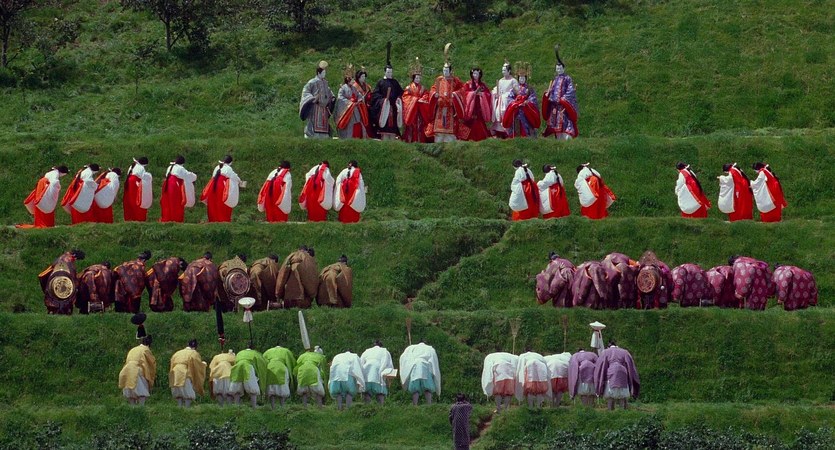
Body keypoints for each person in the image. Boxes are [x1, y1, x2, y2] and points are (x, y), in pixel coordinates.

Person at [427, 43, 464, 143]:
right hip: (440, 107)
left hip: (450, 108)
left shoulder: (455, 80)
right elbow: (433, 89)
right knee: (439, 127)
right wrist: (434, 94)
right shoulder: (439, 80)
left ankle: (450, 142)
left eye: (447, 70)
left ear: (450, 71)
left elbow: (462, 90)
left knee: (450, 128)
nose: (445, 72)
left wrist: (455, 94)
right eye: (444, 70)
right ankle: (438, 141)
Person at [542, 45, 578, 140]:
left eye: (560, 68)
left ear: (564, 68)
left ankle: (566, 137)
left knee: (566, 123)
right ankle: (558, 139)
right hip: (556, 107)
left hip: (564, 106)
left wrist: (563, 99)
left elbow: (570, 90)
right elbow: (552, 90)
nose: (559, 70)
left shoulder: (567, 78)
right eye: (557, 68)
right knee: (556, 125)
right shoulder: (555, 79)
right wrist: (548, 94)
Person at [370, 42, 404, 140]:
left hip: (393, 108)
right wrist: (383, 101)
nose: (390, 74)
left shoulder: (395, 82)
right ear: (385, 72)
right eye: (388, 72)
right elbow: (375, 96)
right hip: (384, 108)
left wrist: (398, 100)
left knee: (393, 129)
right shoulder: (381, 82)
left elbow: (401, 93)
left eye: (391, 72)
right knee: (384, 127)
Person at [594, 339, 640, 410]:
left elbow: (601, 365)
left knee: (610, 395)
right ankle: (622, 410)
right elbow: (630, 364)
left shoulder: (605, 352)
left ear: (609, 346)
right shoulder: (624, 352)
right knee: (622, 395)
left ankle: (610, 410)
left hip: (611, 372)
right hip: (623, 373)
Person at [39, 249, 85, 315]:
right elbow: (72, 279)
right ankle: (64, 311)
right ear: (74, 256)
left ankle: (53, 311)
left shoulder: (59, 259)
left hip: (53, 281)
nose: (75, 260)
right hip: (64, 282)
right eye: (76, 259)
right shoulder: (69, 263)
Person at [502, 62, 540, 138]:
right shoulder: (515, 88)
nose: (521, 80)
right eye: (520, 78)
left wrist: (527, 102)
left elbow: (533, 98)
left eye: (523, 78)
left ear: (525, 79)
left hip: (526, 109)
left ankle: (528, 136)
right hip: (517, 109)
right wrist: (515, 103)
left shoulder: (529, 88)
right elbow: (510, 98)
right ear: (518, 79)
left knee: (527, 122)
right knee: (516, 122)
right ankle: (516, 137)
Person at [201, 155, 245, 223]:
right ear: (230, 162)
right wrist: (240, 181)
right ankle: (223, 219)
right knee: (222, 203)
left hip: (213, 185)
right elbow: (234, 177)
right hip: (222, 186)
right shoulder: (228, 168)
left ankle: (213, 219)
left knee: (213, 202)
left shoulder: (217, 167)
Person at [335, 64, 372, 139]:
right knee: (349, 126)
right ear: (348, 79)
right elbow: (340, 98)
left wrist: (360, 100)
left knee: (358, 125)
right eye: (352, 79)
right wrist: (350, 103)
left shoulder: (354, 88)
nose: (353, 81)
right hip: (347, 111)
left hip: (355, 110)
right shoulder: (343, 88)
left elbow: (359, 96)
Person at [299, 61, 334, 139]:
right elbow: (305, 91)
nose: (324, 74)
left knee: (324, 123)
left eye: (325, 72)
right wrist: (312, 98)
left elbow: (328, 91)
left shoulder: (325, 83)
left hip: (324, 108)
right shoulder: (312, 82)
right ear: (318, 73)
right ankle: (312, 135)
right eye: (323, 73)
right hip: (315, 107)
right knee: (313, 122)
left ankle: (324, 135)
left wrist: (332, 97)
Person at [400, 340, 441, 405]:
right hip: (426, 368)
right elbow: (434, 361)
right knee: (428, 388)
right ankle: (429, 404)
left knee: (415, 389)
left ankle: (415, 405)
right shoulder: (430, 349)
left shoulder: (411, 348)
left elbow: (404, 357)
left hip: (415, 367)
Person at [401, 57, 432, 143]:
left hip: (420, 111)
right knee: (411, 126)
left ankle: (420, 141)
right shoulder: (409, 88)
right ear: (413, 78)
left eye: (419, 78)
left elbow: (426, 96)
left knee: (420, 126)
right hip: (412, 111)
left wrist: (422, 99)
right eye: (416, 78)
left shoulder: (422, 88)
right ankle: (410, 141)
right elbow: (405, 97)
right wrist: (415, 100)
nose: (418, 79)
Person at [118, 336, 156, 406]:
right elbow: (151, 363)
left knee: (130, 392)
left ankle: (132, 408)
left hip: (126, 369)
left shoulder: (133, 349)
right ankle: (141, 407)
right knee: (142, 391)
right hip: (137, 369)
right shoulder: (146, 350)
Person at [169, 339, 207, 407]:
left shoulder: (178, 353)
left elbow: (172, 363)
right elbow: (197, 365)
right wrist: (203, 365)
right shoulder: (194, 353)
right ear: (195, 347)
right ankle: (187, 408)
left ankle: (179, 407)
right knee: (188, 393)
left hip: (174, 372)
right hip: (184, 372)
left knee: (178, 393)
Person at [160, 155, 197, 223]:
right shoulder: (180, 168)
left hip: (167, 184)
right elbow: (187, 175)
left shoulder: (170, 167)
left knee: (167, 202)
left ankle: (167, 218)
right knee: (176, 202)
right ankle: (176, 219)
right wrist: (194, 176)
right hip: (174, 185)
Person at [459, 67, 492, 142]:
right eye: (474, 74)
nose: (475, 75)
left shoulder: (482, 85)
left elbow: (488, 94)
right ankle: (465, 136)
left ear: (480, 75)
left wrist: (482, 94)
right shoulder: (468, 84)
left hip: (479, 105)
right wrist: (472, 94)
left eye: (477, 74)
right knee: (470, 120)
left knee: (479, 119)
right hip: (471, 106)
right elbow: (463, 93)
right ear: (471, 74)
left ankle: (480, 136)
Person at [360, 340, 394, 405]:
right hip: (378, 373)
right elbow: (389, 364)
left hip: (367, 374)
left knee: (367, 393)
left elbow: (361, 363)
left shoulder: (367, 351)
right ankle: (380, 407)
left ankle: (367, 407)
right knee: (380, 393)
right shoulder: (385, 351)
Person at [491, 61, 520, 138]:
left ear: (509, 71)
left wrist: (508, 95)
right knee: (497, 112)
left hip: (508, 100)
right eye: (502, 70)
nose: (503, 72)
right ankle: (499, 131)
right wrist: (495, 93)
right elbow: (497, 89)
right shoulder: (501, 80)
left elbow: (517, 91)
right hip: (501, 100)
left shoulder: (513, 80)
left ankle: (507, 131)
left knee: (505, 112)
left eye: (504, 70)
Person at [263, 343, 296, 409]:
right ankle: (282, 406)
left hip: (270, 368)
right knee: (282, 387)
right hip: (281, 367)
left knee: (271, 387)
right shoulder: (286, 351)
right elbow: (291, 362)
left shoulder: (268, 351)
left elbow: (263, 361)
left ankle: (273, 407)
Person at [123, 157, 153, 222]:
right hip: (135, 184)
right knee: (136, 200)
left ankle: (129, 217)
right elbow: (143, 177)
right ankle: (138, 217)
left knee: (129, 199)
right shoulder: (141, 168)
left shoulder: (132, 166)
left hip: (129, 182)